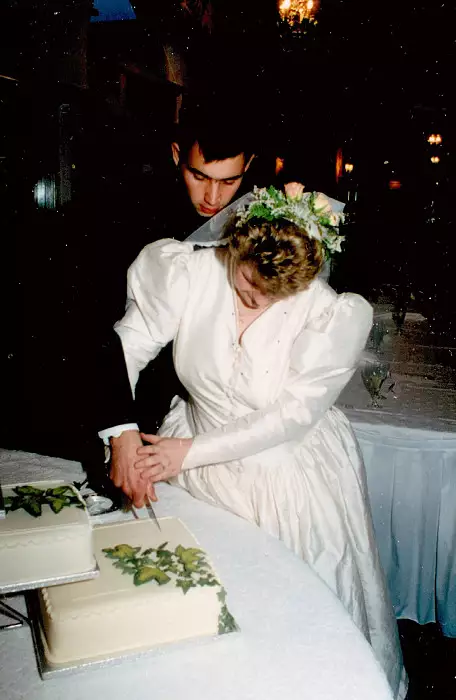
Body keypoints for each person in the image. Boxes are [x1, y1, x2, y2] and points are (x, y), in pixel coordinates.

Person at [112, 183, 407, 698]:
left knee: (284, 627)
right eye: (247, 285)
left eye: (273, 296)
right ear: (236, 247)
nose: (254, 300)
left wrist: (191, 453)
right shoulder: (188, 271)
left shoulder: (331, 311)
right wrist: (120, 432)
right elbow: (126, 348)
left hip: (282, 471)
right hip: (192, 446)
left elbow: (291, 416)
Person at [95, 95, 259, 498]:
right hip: (137, 400)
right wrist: (121, 428)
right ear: (175, 156)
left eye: (229, 182)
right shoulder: (130, 215)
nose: (213, 198)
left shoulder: (263, 222)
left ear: (249, 167)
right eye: (199, 177)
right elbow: (101, 331)